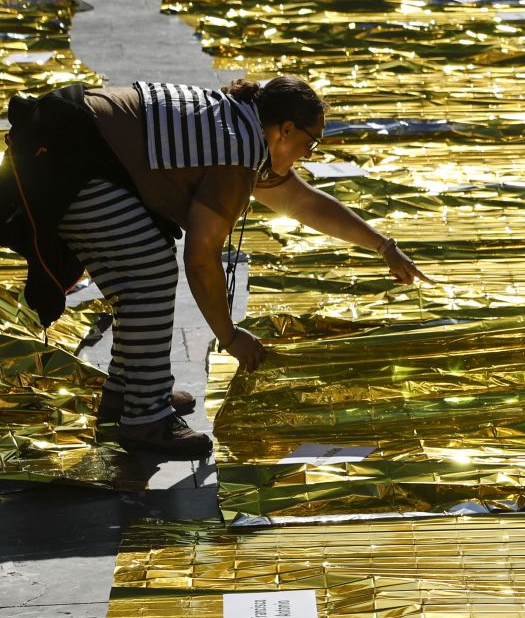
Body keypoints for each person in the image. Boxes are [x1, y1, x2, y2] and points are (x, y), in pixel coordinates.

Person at [70, 75, 429, 457]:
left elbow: (305, 203)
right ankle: (145, 419)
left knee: (144, 270)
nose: (308, 155)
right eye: (311, 143)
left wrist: (384, 247)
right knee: (150, 273)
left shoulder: (243, 131)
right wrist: (229, 336)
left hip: (75, 150)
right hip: (69, 162)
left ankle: (130, 395)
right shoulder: (237, 149)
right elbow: (201, 256)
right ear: (286, 129)